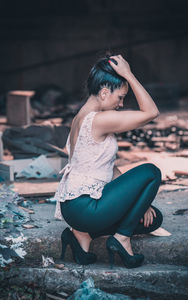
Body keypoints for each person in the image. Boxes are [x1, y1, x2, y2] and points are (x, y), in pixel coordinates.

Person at [54, 54, 163, 268]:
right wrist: (128, 74)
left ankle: (81, 236)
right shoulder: (99, 120)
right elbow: (152, 112)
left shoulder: (80, 117)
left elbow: (108, 168)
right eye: (120, 97)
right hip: (85, 207)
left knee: (154, 218)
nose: (121, 104)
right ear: (104, 93)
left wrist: (142, 202)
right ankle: (122, 238)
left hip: (75, 209)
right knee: (151, 172)